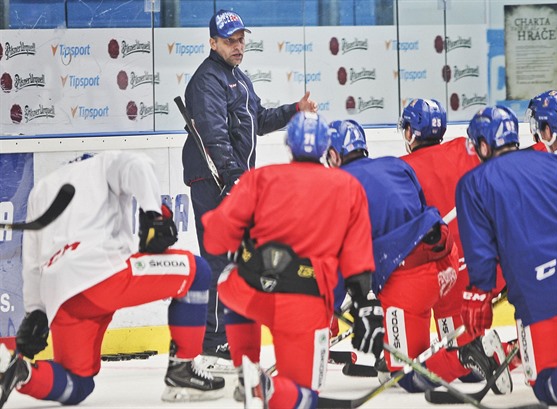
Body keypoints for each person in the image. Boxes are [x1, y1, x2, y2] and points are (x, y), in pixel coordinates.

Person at [0, 151, 225, 408]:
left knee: (78, 383)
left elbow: (30, 260)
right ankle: (183, 369)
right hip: (102, 275)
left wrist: (35, 311)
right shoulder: (103, 162)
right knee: (197, 270)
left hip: (63, 294)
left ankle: (20, 373)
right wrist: (155, 214)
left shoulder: (40, 189)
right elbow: (138, 164)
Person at [201, 112, 384, 408]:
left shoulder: (259, 178)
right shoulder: (348, 187)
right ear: (327, 148)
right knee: (303, 398)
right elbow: (357, 258)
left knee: (228, 280)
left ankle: (246, 368)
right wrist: (365, 305)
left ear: (289, 145)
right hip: (304, 301)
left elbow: (216, 237)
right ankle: (268, 388)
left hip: (250, 291)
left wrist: (239, 241)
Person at [326, 119, 511, 395]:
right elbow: (421, 208)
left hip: (410, 282)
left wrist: (328, 310)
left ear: (333, 154)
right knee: (469, 370)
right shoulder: (396, 164)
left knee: (407, 375)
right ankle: (473, 354)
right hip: (448, 265)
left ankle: (467, 353)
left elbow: (338, 258)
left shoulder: (338, 185)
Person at [182, 9, 318, 371]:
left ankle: (224, 333)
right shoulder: (206, 80)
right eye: (230, 40)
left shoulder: (239, 79)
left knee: (234, 261)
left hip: (232, 181)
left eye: (241, 39)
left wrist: (294, 110)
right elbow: (213, 134)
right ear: (213, 42)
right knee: (217, 258)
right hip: (213, 181)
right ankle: (213, 341)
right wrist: (234, 178)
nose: (238, 45)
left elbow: (257, 121)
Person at [398, 99, 513, 375]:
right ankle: (503, 351)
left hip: (444, 277)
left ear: (411, 132)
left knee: (415, 373)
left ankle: (466, 356)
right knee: (470, 359)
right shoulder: (465, 147)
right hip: (488, 268)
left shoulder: (400, 169)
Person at [456, 106, 557, 406]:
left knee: (545, 385)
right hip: (541, 291)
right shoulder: (552, 162)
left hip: (539, 296)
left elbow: (480, 252)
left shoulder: (474, 182)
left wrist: (480, 293)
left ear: (484, 145)